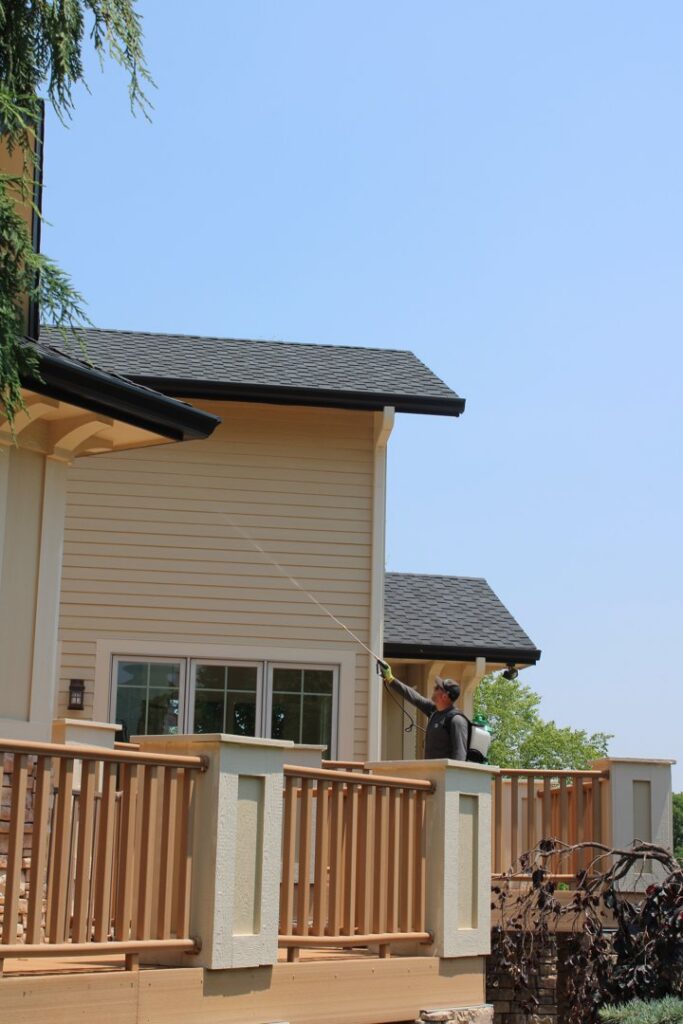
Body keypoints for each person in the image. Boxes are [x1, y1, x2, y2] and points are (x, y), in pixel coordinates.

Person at [379, 661, 468, 761]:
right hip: (431, 772)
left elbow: (460, 755)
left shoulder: (456, 720)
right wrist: (391, 679)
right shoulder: (434, 711)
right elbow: (414, 697)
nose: (434, 688)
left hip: (445, 775)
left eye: (437, 688)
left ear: (444, 696)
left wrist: (453, 776)